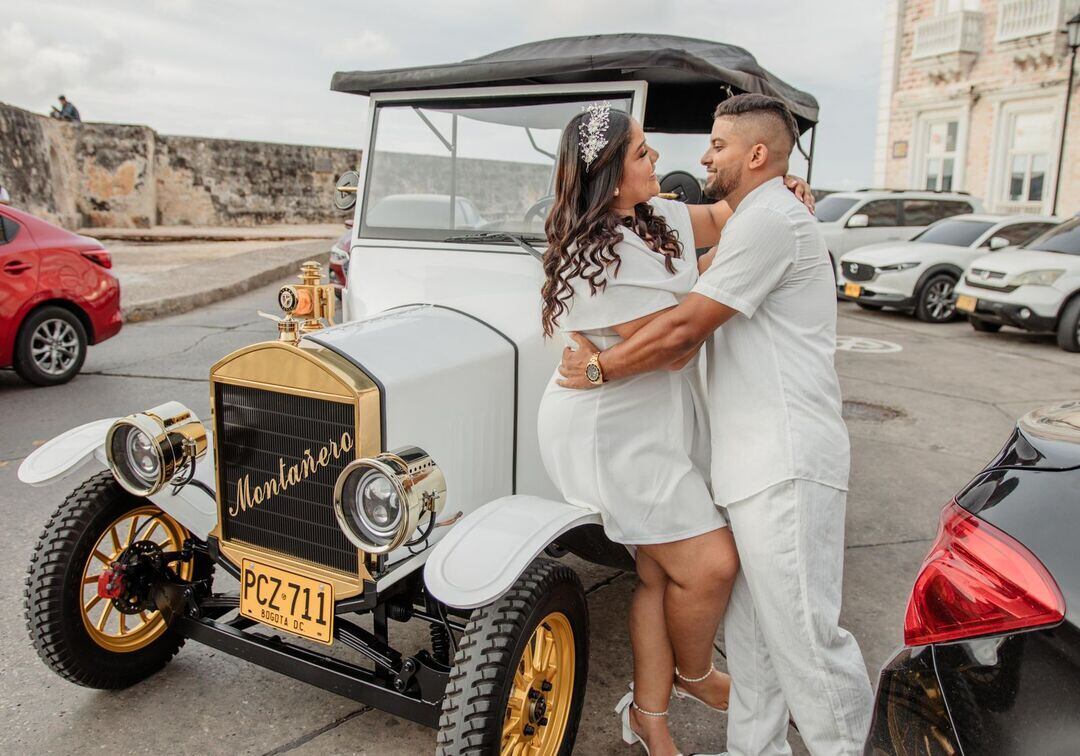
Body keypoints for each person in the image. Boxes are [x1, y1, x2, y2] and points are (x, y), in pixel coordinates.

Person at [557, 94, 873, 756]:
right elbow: (702, 275)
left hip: (783, 456)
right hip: (736, 458)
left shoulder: (769, 221)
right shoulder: (753, 216)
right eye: (645, 150)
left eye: (719, 146)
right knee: (758, 643)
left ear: (755, 154)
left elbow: (681, 330)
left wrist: (599, 370)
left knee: (808, 642)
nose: (697, 156)